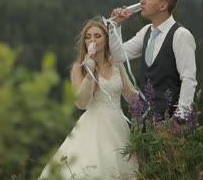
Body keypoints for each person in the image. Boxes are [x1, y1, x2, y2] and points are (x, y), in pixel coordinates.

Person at [38, 18, 139, 179]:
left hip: (117, 126)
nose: (92, 40)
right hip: (93, 125)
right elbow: (81, 103)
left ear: (106, 40)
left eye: (98, 36)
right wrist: (90, 73)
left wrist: (154, 105)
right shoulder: (78, 68)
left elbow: (130, 94)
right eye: (88, 36)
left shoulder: (117, 65)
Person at [109, 0, 197, 122]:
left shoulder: (181, 35)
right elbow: (118, 55)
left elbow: (188, 79)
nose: (142, 1)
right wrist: (115, 25)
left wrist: (179, 120)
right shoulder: (146, 31)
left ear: (163, 6)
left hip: (169, 121)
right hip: (144, 118)